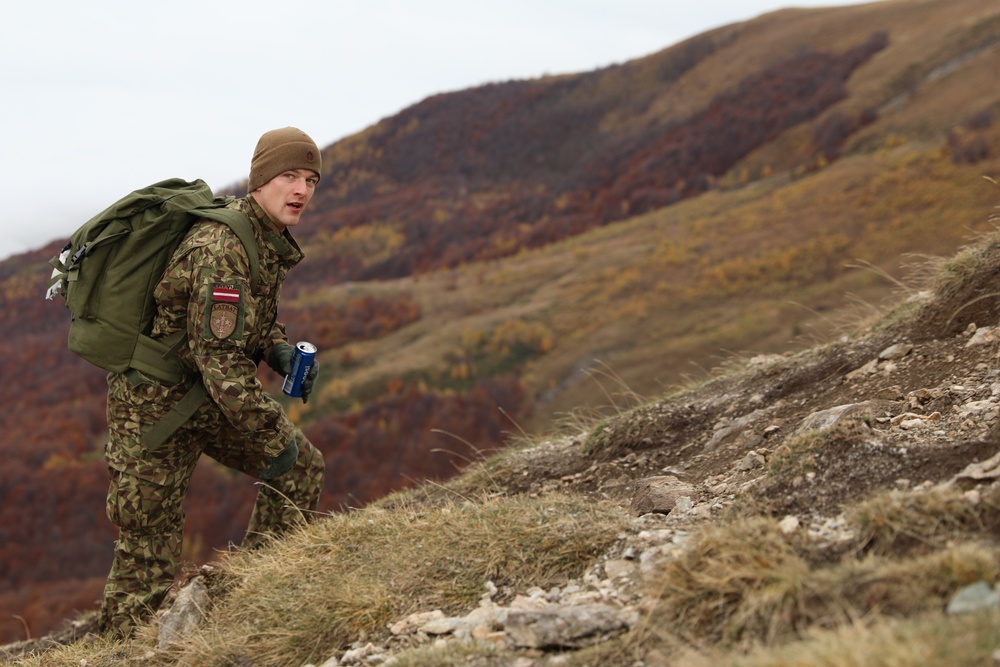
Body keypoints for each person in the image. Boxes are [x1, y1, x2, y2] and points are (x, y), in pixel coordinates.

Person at [97, 127, 326, 637]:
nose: (301, 190)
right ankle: (117, 649)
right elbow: (218, 356)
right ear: (261, 178)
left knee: (300, 469)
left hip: (204, 398)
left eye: (311, 180)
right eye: (289, 175)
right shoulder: (222, 245)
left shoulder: (264, 240)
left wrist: (276, 349)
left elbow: (248, 324)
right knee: (147, 550)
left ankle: (260, 596)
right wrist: (271, 434)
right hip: (152, 410)